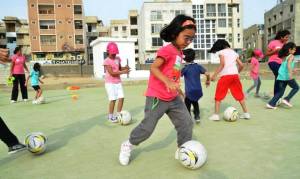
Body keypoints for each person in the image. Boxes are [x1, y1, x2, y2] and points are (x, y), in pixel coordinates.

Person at [118, 15, 196, 166]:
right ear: (175, 34)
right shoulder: (167, 50)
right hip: (157, 97)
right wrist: (166, 81)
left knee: (186, 122)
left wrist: (179, 90)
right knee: (147, 128)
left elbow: (173, 74)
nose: (188, 42)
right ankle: (128, 144)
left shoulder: (180, 54)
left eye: (191, 39)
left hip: (173, 98)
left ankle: (183, 149)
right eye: (186, 37)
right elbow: (154, 68)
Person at [209, 39, 250, 121]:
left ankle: (216, 115)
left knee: (219, 95)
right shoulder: (234, 53)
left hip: (225, 76)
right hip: (235, 76)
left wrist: (214, 75)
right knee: (239, 94)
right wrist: (236, 72)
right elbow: (241, 65)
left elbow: (222, 64)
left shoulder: (222, 52)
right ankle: (246, 113)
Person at [0, 48, 26, 154]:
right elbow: (11, 65)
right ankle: (12, 143)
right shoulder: (15, 57)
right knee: (15, 87)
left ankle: (12, 143)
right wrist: (10, 74)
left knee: (22, 88)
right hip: (15, 74)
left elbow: (23, 65)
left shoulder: (22, 57)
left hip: (22, 74)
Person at [181, 48, 210, 123]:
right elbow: (207, 73)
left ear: (185, 58)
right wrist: (208, 80)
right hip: (198, 90)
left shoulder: (185, 68)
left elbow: (177, 75)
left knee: (187, 104)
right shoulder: (198, 66)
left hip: (189, 91)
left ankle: (188, 118)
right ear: (194, 57)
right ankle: (197, 117)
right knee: (195, 102)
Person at [103, 42, 130, 123]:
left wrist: (125, 67)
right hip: (110, 83)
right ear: (108, 52)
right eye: (112, 53)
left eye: (115, 53)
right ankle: (110, 116)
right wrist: (124, 72)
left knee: (121, 98)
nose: (114, 55)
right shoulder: (106, 61)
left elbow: (119, 68)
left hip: (118, 82)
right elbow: (112, 73)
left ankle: (118, 115)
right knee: (113, 99)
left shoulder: (118, 59)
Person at [267, 42, 299, 109]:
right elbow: (288, 65)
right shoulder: (291, 56)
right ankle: (287, 99)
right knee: (296, 87)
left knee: (280, 92)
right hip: (287, 76)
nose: (295, 51)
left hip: (281, 76)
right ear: (289, 50)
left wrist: (293, 70)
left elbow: (284, 66)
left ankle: (271, 104)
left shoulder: (285, 57)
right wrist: (290, 74)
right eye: (294, 49)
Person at [266, 30, 290, 95]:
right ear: (281, 37)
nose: (287, 39)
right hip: (273, 62)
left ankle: (277, 96)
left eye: (288, 37)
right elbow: (267, 53)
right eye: (286, 37)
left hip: (281, 63)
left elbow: (285, 56)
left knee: (279, 78)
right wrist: (275, 51)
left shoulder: (285, 45)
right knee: (279, 76)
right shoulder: (273, 42)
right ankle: (277, 96)